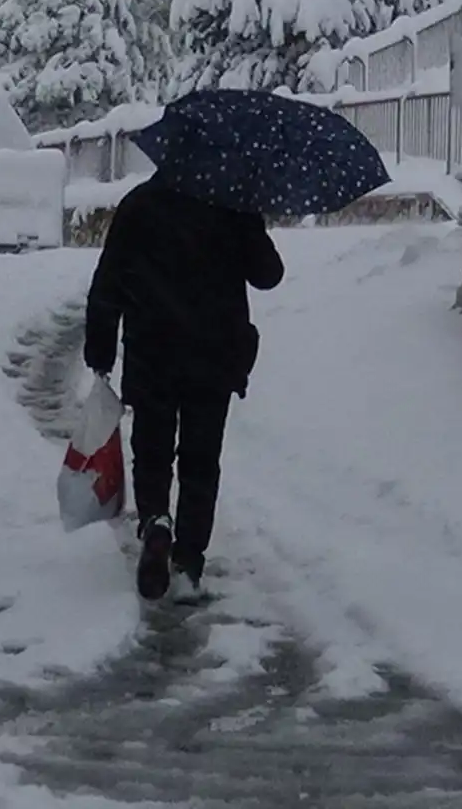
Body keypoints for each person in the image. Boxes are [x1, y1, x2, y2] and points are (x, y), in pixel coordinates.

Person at [83, 173, 284, 602]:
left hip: (151, 351)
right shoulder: (231, 203)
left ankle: (156, 520)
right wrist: (250, 220)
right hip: (215, 354)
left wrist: (100, 349)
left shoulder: (139, 204)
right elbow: (269, 275)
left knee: (152, 450)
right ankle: (189, 562)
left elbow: (108, 282)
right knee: (201, 460)